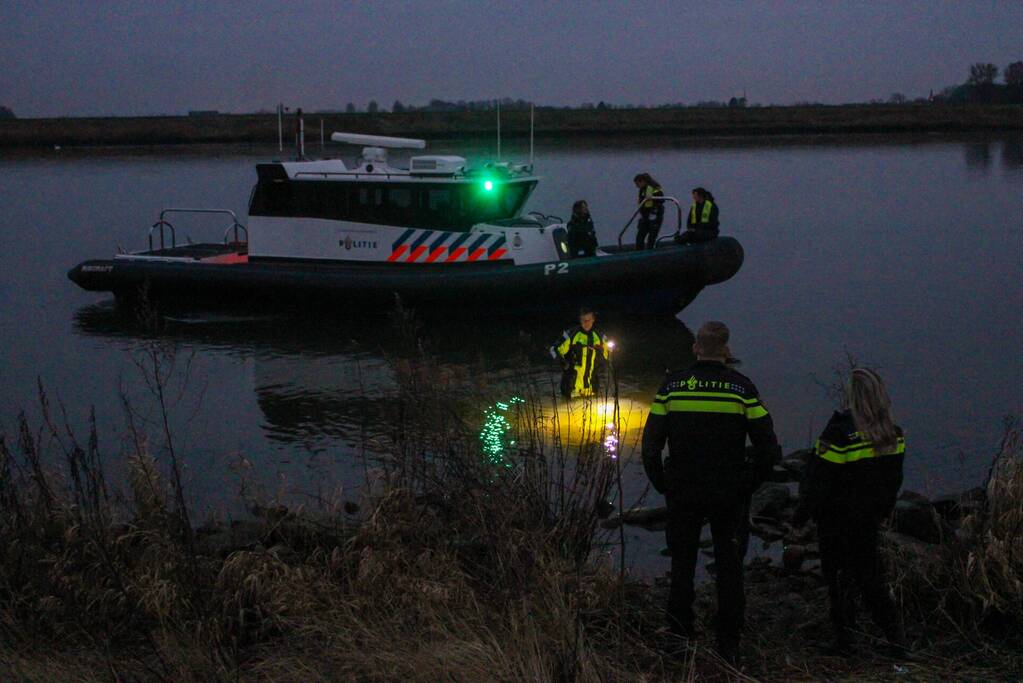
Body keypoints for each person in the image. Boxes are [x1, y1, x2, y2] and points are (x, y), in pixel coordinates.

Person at [641, 321, 781, 663]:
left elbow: (650, 446)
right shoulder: (741, 389)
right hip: (728, 492)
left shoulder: (672, 387)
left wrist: (663, 484)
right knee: (729, 566)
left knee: (682, 563)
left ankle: (679, 637)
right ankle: (728, 643)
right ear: (727, 351)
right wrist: (749, 484)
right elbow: (768, 448)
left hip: (683, 490)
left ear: (696, 348)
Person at [793, 368, 907, 655]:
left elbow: (818, 480)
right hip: (868, 519)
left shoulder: (839, 432)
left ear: (852, 396)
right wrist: (883, 511)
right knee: (871, 577)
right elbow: (894, 480)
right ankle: (896, 639)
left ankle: (845, 640)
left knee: (838, 578)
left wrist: (801, 515)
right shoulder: (892, 434)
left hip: (836, 520)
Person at [550, 307, 608, 399]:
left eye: (589, 319)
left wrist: (600, 362)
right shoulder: (571, 334)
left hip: (592, 389)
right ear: (580, 320)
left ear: (593, 319)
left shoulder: (600, 336)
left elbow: (610, 353)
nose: (586, 322)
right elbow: (553, 349)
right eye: (583, 320)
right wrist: (563, 364)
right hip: (571, 390)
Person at [633, 173, 665, 250]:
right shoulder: (642, 190)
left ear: (642, 181)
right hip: (645, 216)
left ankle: (650, 250)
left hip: (654, 215)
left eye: (637, 184)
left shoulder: (655, 188)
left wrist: (652, 198)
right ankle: (639, 251)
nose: (637, 186)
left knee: (652, 236)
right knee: (640, 236)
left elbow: (661, 199)